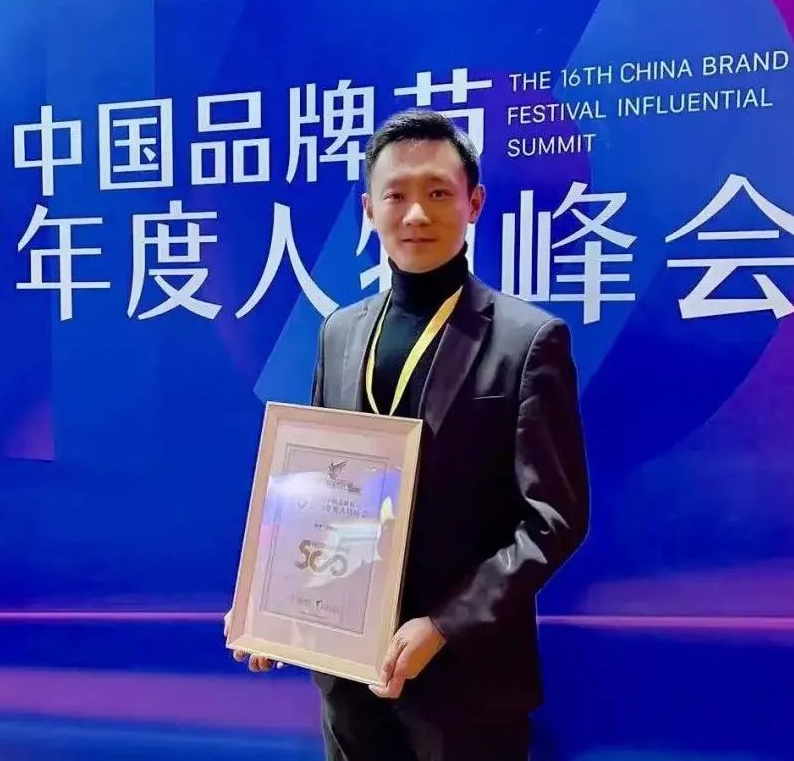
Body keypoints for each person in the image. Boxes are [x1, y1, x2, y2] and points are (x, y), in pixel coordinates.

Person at [228, 109, 589, 760]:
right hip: (348, 680)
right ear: (369, 209)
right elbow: (317, 493)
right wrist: (269, 607)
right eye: (395, 195)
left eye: (438, 192)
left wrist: (445, 625)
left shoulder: (528, 340)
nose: (416, 213)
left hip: (467, 685)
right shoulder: (340, 332)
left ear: (474, 203)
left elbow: (553, 520)